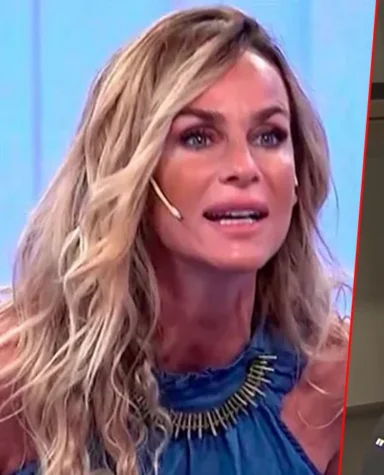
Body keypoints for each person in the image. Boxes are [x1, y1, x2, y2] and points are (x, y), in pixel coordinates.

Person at [0, 6, 349, 475]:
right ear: (133, 169)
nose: (245, 168)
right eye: (198, 138)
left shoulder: (333, 380)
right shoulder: (18, 381)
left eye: (269, 136)